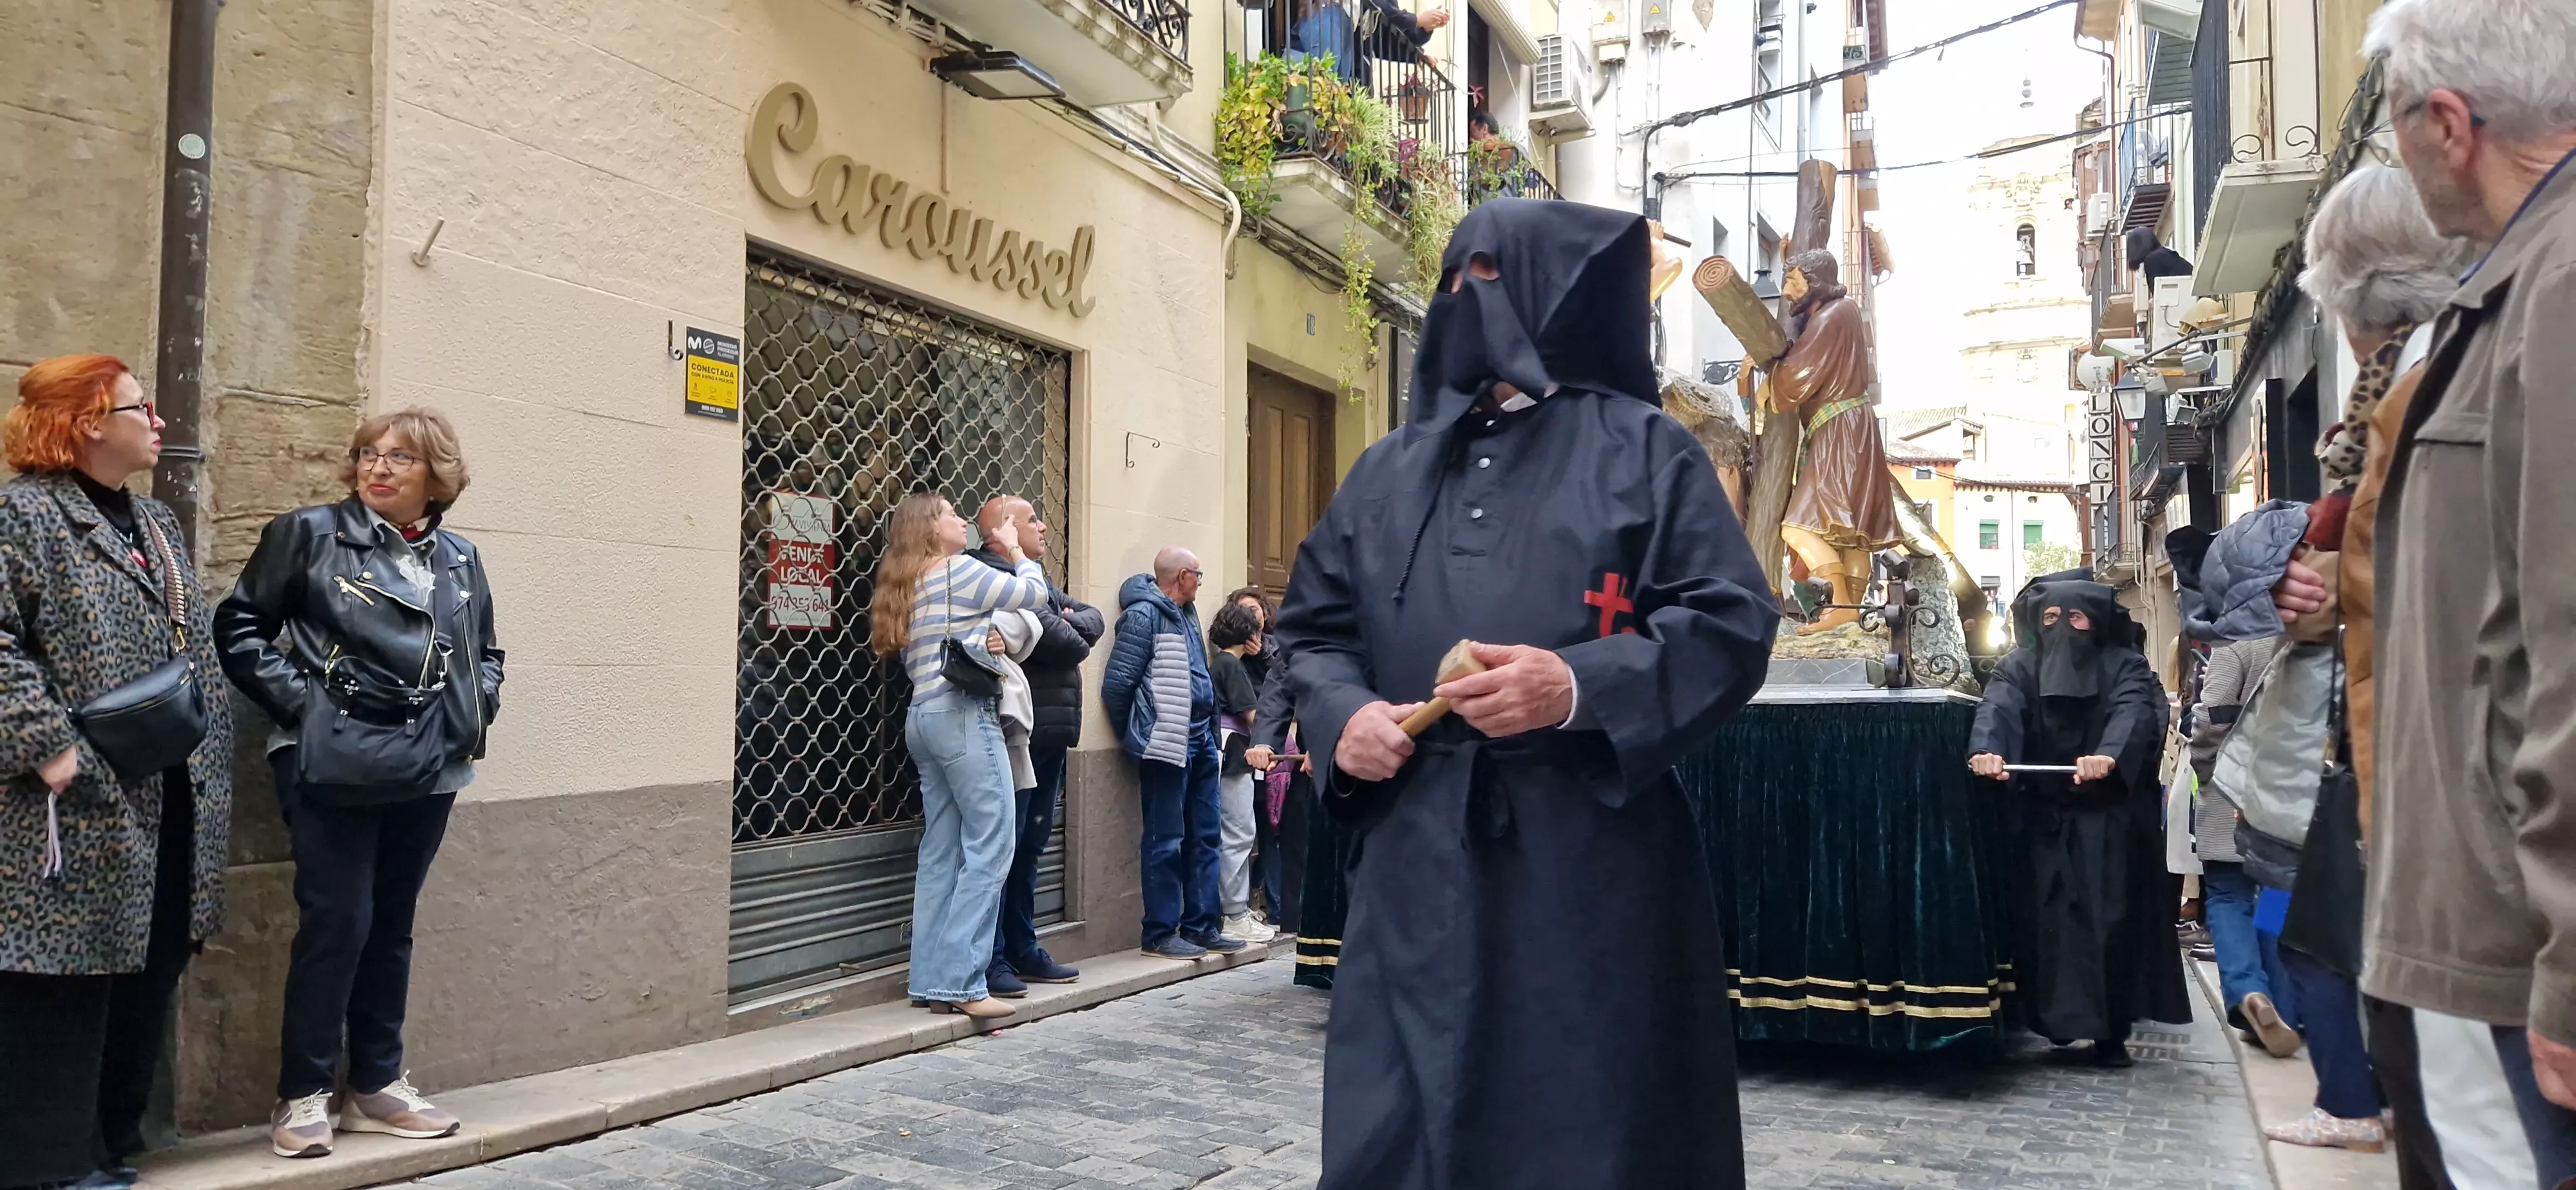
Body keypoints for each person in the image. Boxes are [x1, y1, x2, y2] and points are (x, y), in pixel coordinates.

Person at [1275, 200, 1777, 1189]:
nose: (1464, 298)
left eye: (1491, 278)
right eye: (1455, 278)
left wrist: (1575, 685)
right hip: (1413, 851)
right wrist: (1343, 719)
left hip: (1584, 855)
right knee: (1400, 1116)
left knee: (1583, 1114)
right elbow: (1312, 633)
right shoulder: (1385, 470)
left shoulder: (1646, 450)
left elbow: (1729, 623)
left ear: (1555, 294)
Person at [2268, 1, 2576, 1175]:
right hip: (2477, 916)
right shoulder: (2507, 297)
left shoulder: (2550, 289)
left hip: (2503, 931)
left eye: (2395, 125)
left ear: (2448, 124)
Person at [216, 407, 499, 1159]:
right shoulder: (309, 534)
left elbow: (486, 650)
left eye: (400, 458)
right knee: (336, 921)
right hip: (330, 757)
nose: (378, 468)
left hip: (431, 764)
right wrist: (306, 706)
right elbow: (240, 627)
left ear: (436, 476)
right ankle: (303, 1093)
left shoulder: (460, 558)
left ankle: (375, 1086)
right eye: (368, 454)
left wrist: (475, 710)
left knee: (391, 924)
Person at [0, 355, 234, 1190]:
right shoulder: (22, 516)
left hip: (168, 793)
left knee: (151, 960)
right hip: (69, 801)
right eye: (142, 407)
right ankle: (47, 1165)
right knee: (59, 986)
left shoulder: (155, 522)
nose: (160, 421)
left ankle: (106, 1144)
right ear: (91, 421)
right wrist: (47, 746)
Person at [1969, 579, 2192, 1067]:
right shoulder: (2018, 666)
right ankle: (2054, 1019)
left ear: (2095, 623)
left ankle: (2109, 1031)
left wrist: (2108, 758)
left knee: (2107, 921)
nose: (2062, 629)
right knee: (2042, 922)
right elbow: (1998, 708)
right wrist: (1988, 750)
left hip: (2105, 821)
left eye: (2075, 619)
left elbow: (2134, 714)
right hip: (2041, 817)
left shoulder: (2124, 666)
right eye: (2050, 620)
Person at [866, 491, 1048, 1021]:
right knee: (993, 843)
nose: (961, 518)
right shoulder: (957, 570)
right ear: (930, 528)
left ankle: (930, 980)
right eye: (950, 513)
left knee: (940, 852)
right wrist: (1017, 550)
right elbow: (1033, 596)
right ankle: (964, 982)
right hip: (964, 715)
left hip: (922, 718)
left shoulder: (909, 581)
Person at [965, 496, 1102, 997]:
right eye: (1030, 520)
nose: (1043, 526)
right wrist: (1055, 620)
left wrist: (1056, 616)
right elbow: (1064, 641)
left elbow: (1088, 624)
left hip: (1047, 735)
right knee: (1003, 849)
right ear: (1003, 528)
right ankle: (993, 957)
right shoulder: (984, 574)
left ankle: (1023, 947)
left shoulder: (1033, 583)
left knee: (1031, 849)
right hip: (1012, 736)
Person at [1101, 547, 1247, 961]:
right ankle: (1160, 933)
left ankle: (1202, 926)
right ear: (1182, 575)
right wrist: (1139, 736)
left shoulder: (1187, 612)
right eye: (1198, 575)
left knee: (1205, 834)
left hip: (1201, 738)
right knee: (1166, 839)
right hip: (1166, 742)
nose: (1201, 582)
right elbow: (1117, 686)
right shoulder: (1143, 616)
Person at [1767, 249, 1900, 633]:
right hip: (1850, 427)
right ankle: (1849, 609)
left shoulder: (1834, 314)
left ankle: (1842, 604)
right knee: (1849, 533)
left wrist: (1769, 378)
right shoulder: (1839, 315)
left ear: (1816, 283)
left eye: (1794, 282)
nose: (1787, 291)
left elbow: (1800, 372)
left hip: (1839, 430)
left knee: (1798, 527)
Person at [2187, 634, 2301, 1059]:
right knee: (2276, 896)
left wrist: (2206, 769)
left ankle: (2250, 991)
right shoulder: (2305, 635)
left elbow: (2211, 715)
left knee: (2227, 894)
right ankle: (2283, 1008)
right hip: (2289, 790)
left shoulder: (2236, 643)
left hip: (2231, 786)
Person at [1206, 603, 1276, 943]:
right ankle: (1234, 911)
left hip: (1227, 751)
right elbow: (1253, 715)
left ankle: (1234, 908)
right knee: (1239, 830)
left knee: (1235, 829)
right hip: (1234, 752)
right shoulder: (1230, 666)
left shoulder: (1223, 663)